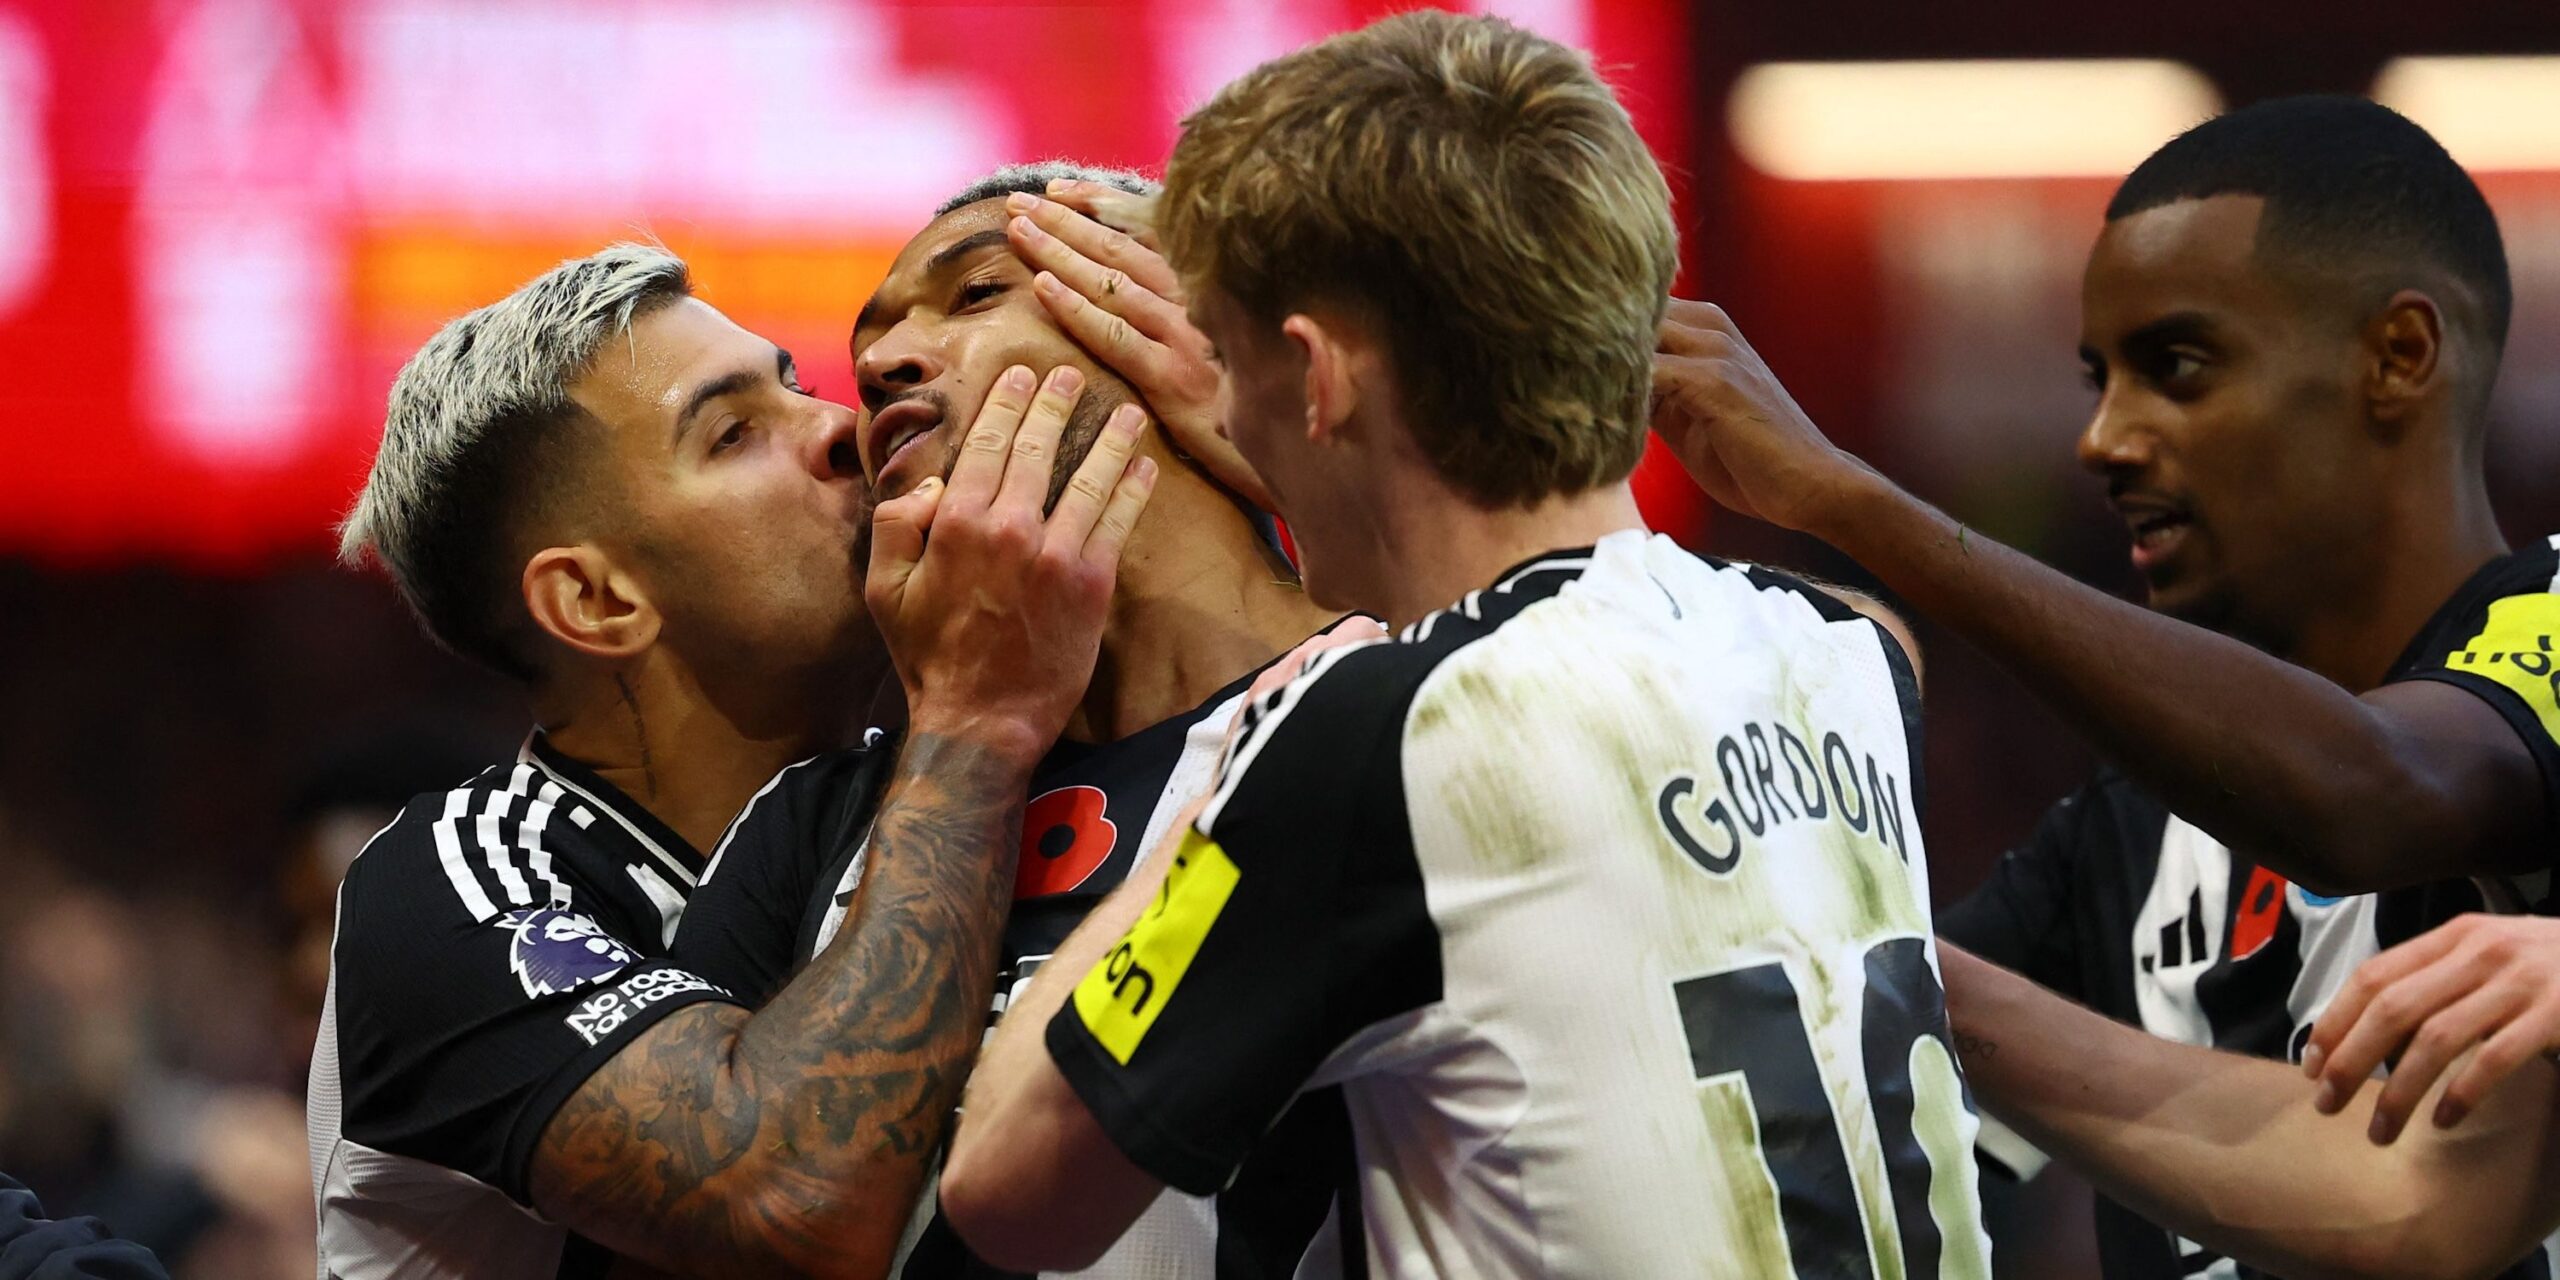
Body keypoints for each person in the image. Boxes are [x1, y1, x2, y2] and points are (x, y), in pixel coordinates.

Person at [934, 13, 1993, 1277]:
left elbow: (1006, 1189)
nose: (1218, 411)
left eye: (1224, 360)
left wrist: (1254, 729)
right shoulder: (1841, 655)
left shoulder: (1367, 733)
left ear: (1314, 378)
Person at [1644, 95, 2560, 1278]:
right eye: (2101, 378)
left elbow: (2372, 793)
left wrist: (1851, 504)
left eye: (2174, 368)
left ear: (2398, 357)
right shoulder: (2122, 830)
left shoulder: (2531, 629)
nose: (2103, 437)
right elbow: (1847, 1121)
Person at [315, 243, 1156, 1278]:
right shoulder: (449, 886)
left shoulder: (933, 792)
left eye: (796, 385)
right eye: (733, 433)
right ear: (597, 600)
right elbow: (794, 1197)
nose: (843, 429)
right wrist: (976, 723)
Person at [674, 160, 1360, 1279]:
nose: (885, 366)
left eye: (976, 292)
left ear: (1181, 324)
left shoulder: (1413, 700)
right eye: (870, 347)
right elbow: (719, 1219)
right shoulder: (819, 818)